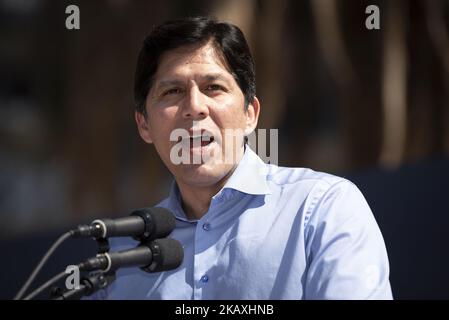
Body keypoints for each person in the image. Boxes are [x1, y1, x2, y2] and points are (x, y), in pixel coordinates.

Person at [93, 16, 392, 299]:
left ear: (250, 115)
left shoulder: (323, 209)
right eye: (172, 91)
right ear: (144, 125)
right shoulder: (124, 255)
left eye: (213, 87)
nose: (195, 106)